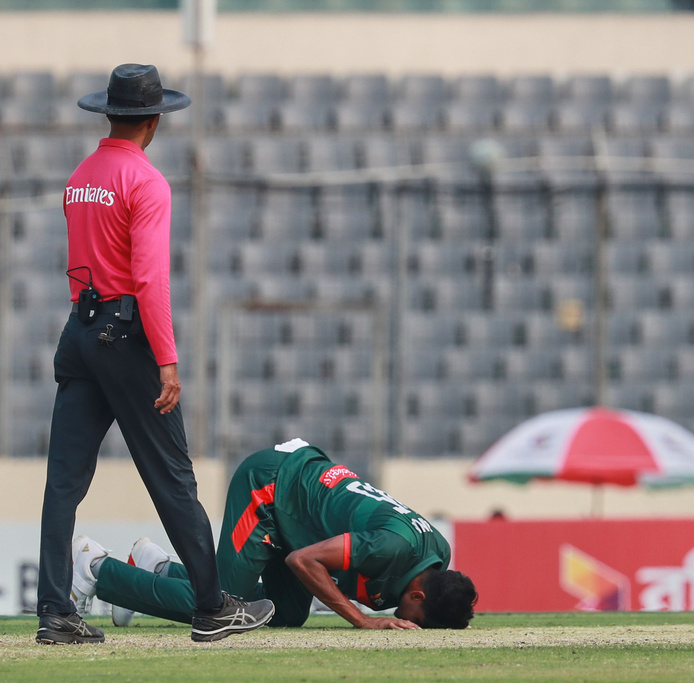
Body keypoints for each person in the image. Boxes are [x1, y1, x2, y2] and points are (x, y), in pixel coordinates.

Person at [36, 64, 275, 645]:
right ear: (154, 121)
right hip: (126, 336)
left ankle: (53, 611)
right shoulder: (146, 182)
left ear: (110, 114)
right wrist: (166, 357)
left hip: (80, 330)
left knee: (64, 480)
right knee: (172, 477)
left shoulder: (80, 177)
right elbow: (149, 279)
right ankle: (213, 606)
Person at [72, 439, 478, 630]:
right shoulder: (394, 547)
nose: (412, 627)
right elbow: (303, 561)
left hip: (299, 507)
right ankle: (95, 567)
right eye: (419, 622)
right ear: (418, 595)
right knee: (222, 607)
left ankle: (158, 569)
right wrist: (361, 620)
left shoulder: (434, 552)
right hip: (270, 488)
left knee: (285, 614)